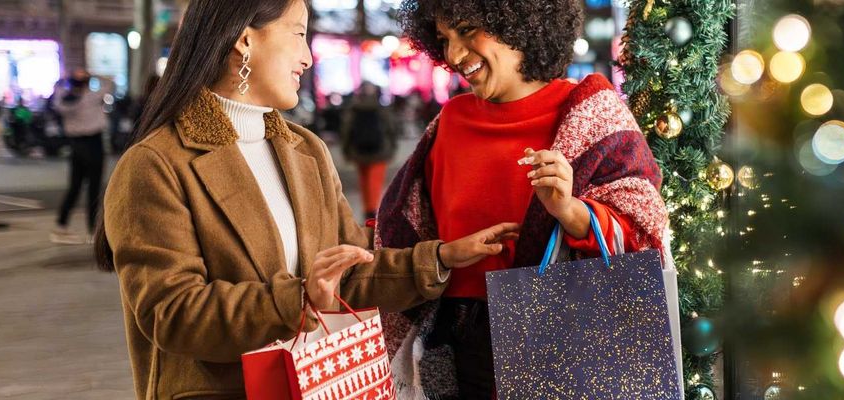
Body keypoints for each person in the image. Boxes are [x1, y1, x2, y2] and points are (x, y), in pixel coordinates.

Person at [93, 0, 520, 398]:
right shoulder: (156, 164)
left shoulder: (304, 149)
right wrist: (299, 300)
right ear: (245, 39)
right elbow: (172, 314)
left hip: (317, 382)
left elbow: (347, 271)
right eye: (298, 34)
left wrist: (441, 257)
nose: (308, 57)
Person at [383, 0, 671, 397]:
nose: (454, 54)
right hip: (458, 344)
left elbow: (643, 229)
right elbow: (408, 225)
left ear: (519, 20)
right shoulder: (450, 121)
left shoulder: (591, 112)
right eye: (444, 39)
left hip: (563, 335)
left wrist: (569, 211)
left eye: (467, 30)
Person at [51, 69, 107, 244]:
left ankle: (61, 225)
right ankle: (92, 231)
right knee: (94, 188)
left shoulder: (64, 101)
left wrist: (64, 81)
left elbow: (56, 93)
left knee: (75, 187)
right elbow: (109, 84)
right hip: (94, 143)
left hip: (75, 145)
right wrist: (94, 74)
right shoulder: (91, 97)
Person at [339, 82, 397, 220]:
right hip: (379, 152)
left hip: (359, 152)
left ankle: (367, 209)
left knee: (364, 181)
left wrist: (346, 151)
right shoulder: (381, 109)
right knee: (375, 182)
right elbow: (391, 130)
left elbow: (346, 132)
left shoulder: (354, 109)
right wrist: (392, 149)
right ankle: (372, 210)